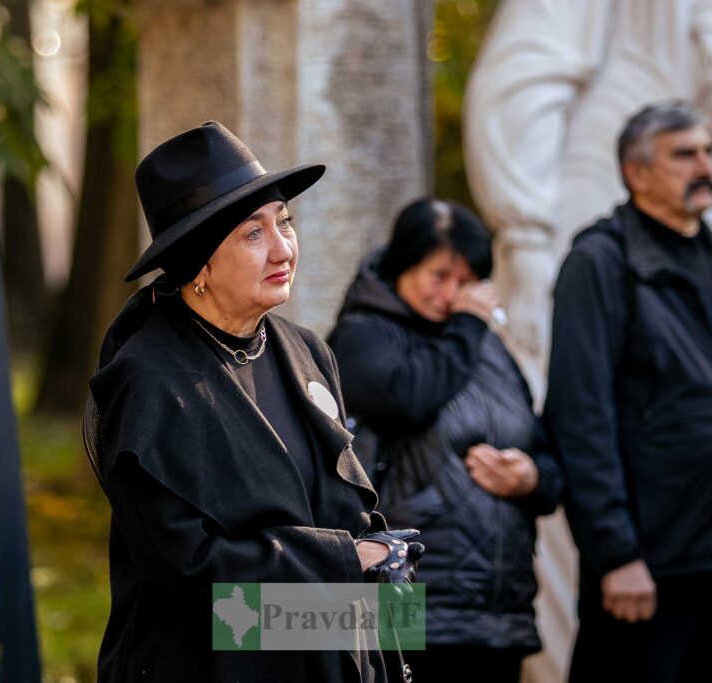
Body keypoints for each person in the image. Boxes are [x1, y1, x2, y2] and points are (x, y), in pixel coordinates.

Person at [84, 121, 419, 682]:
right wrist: (343, 563)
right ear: (198, 265)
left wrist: (390, 619)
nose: (283, 248)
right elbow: (189, 577)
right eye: (253, 234)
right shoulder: (145, 381)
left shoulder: (307, 350)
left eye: (285, 222)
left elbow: (352, 524)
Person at [544, 101, 712, 683]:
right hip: (647, 572)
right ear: (636, 173)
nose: (704, 165)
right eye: (684, 154)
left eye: (707, 151)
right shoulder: (600, 262)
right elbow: (580, 418)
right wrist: (616, 554)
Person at [327, 198, 563, 683]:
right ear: (402, 266)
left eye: (466, 281)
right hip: (408, 609)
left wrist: (531, 478)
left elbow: (548, 454)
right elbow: (407, 400)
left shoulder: (486, 348)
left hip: (498, 613)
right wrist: (468, 327)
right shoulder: (363, 336)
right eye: (439, 276)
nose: (453, 295)